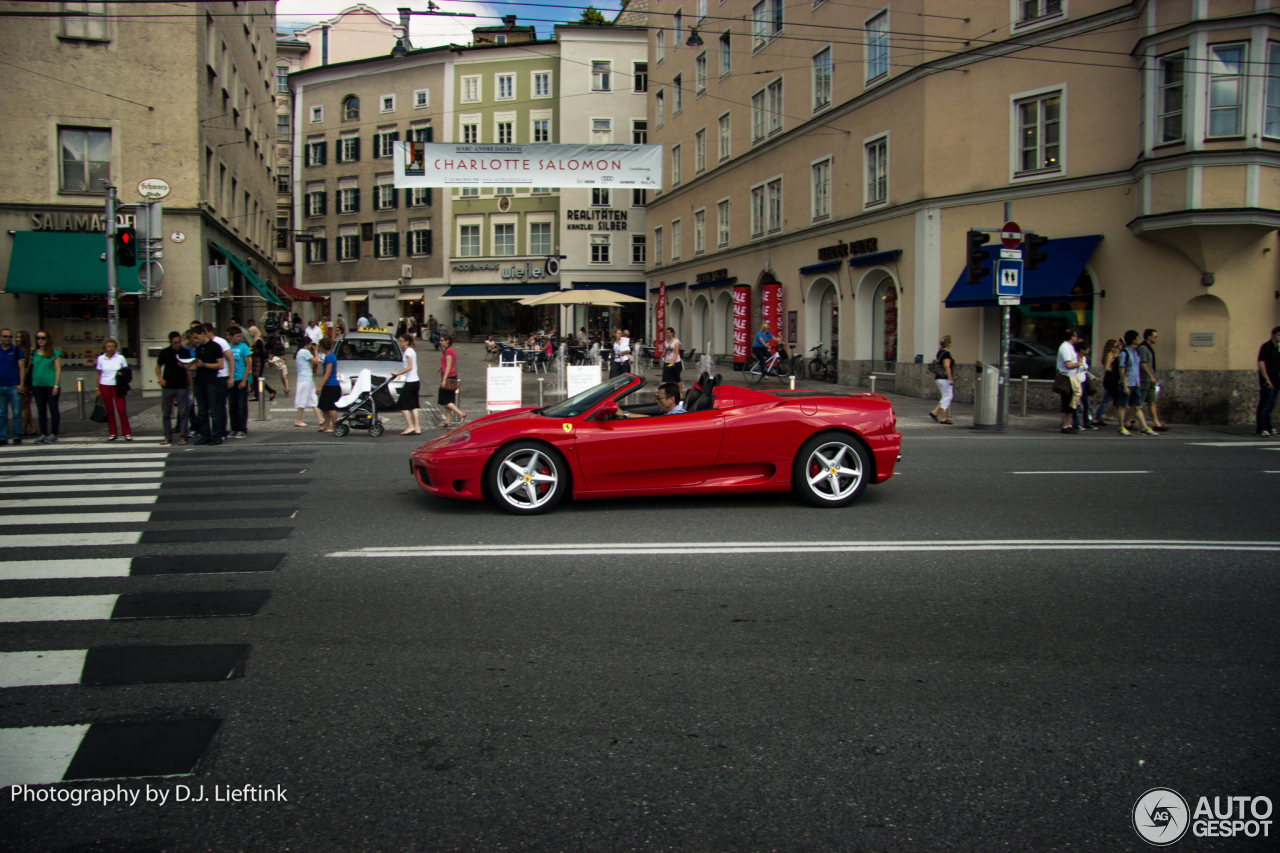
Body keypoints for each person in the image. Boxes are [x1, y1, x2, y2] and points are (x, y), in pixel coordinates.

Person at [1117, 329, 1158, 436]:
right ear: (1133, 339)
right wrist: (1125, 385)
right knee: (1122, 405)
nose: (1139, 339)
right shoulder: (1124, 353)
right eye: (1138, 337)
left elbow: (1137, 368)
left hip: (1135, 383)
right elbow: (1122, 370)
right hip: (1127, 383)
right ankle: (1121, 427)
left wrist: (1138, 382)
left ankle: (1144, 427)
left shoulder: (1135, 352)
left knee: (1137, 406)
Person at [189, 325, 225, 446]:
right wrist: (187, 366)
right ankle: (205, 435)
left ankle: (217, 436)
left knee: (214, 411)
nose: (195, 340)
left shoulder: (215, 346)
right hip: (199, 381)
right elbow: (196, 366)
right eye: (193, 338)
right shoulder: (198, 349)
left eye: (196, 337)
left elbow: (220, 365)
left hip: (211, 382)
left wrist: (204, 365)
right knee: (202, 411)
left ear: (202, 334)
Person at [155, 331, 190, 446]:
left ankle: (183, 436)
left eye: (179, 341)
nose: (178, 344)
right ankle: (167, 437)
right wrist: (160, 377)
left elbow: (189, 368)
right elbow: (158, 366)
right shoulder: (165, 352)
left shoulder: (184, 352)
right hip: (168, 386)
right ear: (170, 342)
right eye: (175, 342)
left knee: (183, 412)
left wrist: (191, 384)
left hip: (181, 385)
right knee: (166, 413)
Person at [96, 337, 132, 441]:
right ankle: (112, 432)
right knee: (109, 410)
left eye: (113, 346)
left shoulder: (120, 358)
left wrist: (121, 373)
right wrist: (97, 387)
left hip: (117, 385)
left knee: (121, 409)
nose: (111, 348)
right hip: (104, 384)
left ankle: (126, 432)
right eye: (108, 346)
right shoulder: (101, 358)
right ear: (105, 348)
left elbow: (127, 371)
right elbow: (99, 373)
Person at [29, 330, 61, 444]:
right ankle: (43, 433)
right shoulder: (33, 353)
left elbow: (58, 369)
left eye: (43, 338)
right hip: (37, 385)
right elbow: (29, 368)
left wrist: (56, 385)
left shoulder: (53, 352)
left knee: (53, 408)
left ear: (47, 339)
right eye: (38, 338)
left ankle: (54, 433)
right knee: (41, 409)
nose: (40, 340)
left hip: (50, 384)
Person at [1138, 328, 1168, 431]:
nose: (1157, 338)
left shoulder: (1149, 348)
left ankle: (1156, 423)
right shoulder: (1143, 348)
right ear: (1149, 337)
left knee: (1152, 401)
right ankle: (1127, 421)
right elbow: (1143, 363)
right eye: (1155, 336)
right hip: (1145, 378)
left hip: (1150, 379)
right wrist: (1150, 376)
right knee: (1139, 403)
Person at [391, 334, 421, 435]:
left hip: (410, 381)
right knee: (413, 405)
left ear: (406, 342)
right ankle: (417, 427)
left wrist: (397, 373)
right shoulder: (411, 351)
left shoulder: (408, 352)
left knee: (402, 404)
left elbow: (409, 367)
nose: (399, 343)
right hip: (415, 380)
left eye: (401, 341)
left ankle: (410, 426)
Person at [205, 323, 231, 440]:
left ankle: (222, 431)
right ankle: (214, 430)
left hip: (221, 376)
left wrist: (230, 377)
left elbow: (230, 359)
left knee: (220, 405)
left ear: (211, 331)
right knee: (212, 406)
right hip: (211, 377)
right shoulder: (204, 345)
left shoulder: (221, 342)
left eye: (205, 332)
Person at [0, 328, 25, 446]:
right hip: (1, 385)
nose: (8, 338)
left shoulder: (16, 350)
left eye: (10, 336)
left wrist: (21, 384)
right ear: (1, 337)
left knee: (16, 412)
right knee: (1, 413)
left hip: (14, 385)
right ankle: (2, 436)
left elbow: (21, 368)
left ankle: (16, 436)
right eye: (5, 336)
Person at [1055, 328, 1082, 434]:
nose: (1076, 337)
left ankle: (1069, 424)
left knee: (1071, 403)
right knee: (1066, 403)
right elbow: (1068, 364)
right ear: (1071, 337)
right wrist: (1078, 364)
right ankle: (1065, 425)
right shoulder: (1065, 347)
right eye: (1075, 336)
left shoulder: (1070, 347)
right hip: (1066, 378)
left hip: (1071, 377)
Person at [227, 326, 251, 439]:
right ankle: (234, 427)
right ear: (231, 337)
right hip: (230, 378)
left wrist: (245, 380)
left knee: (241, 405)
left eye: (240, 336)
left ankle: (242, 428)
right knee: (232, 405)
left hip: (240, 377)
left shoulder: (244, 347)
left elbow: (248, 364)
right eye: (236, 336)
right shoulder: (227, 347)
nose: (239, 338)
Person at [438, 332, 465, 428]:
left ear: (447, 341)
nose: (440, 342)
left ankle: (460, 413)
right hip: (450, 376)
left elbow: (448, 366)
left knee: (445, 399)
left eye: (441, 340)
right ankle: (447, 421)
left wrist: (444, 380)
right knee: (448, 400)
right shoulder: (448, 350)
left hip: (449, 377)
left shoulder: (449, 351)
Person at [1257, 325, 1280, 436]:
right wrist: (1267, 380)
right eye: (1279, 335)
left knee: (1270, 406)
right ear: (1273, 335)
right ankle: (1261, 429)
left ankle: (1268, 427)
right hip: (1268, 381)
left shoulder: (1277, 348)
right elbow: (1261, 363)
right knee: (1264, 406)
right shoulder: (1266, 347)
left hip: (1277, 380)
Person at [1093, 339, 1121, 427]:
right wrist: (1115, 370)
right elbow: (1107, 368)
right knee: (1107, 399)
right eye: (1115, 347)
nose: (1117, 348)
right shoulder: (1109, 355)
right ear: (1110, 347)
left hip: (1111, 379)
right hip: (1110, 379)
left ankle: (1125, 418)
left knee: (1114, 399)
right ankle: (1098, 417)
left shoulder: (1114, 355)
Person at [294, 340, 322, 428]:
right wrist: (316, 351)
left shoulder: (300, 352)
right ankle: (298, 420)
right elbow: (316, 361)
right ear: (307, 344)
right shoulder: (304, 351)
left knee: (313, 398)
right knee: (303, 399)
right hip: (305, 379)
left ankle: (320, 418)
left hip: (305, 379)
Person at [929, 335, 955, 425]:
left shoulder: (939, 353)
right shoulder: (946, 354)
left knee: (945, 396)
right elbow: (947, 367)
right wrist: (950, 379)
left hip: (939, 378)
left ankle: (935, 412)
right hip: (945, 378)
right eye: (950, 342)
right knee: (948, 396)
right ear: (948, 344)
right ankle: (943, 418)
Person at [620, 382, 687, 417]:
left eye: (659, 398)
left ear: (671, 400)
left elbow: (647, 419)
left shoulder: (677, 417)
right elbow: (648, 418)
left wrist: (623, 413)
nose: (656, 401)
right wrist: (624, 413)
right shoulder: (672, 414)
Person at [316, 338, 341, 433]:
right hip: (328, 384)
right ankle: (326, 425)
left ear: (322, 347)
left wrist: (319, 386)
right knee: (324, 406)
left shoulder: (330, 357)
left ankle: (334, 426)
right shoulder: (328, 356)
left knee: (331, 407)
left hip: (332, 385)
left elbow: (328, 373)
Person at [1071, 341, 1096, 431]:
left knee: (1086, 404)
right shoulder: (1074, 358)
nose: (1088, 350)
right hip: (1077, 382)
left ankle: (1087, 423)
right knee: (1076, 404)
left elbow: (1085, 370)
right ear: (1082, 350)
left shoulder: (1084, 358)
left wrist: (1093, 377)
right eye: (1086, 348)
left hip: (1084, 381)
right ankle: (1076, 423)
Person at [16, 331, 37, 438]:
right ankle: (33, 428)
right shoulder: (18, 350)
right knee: (26, 406)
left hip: (27, 381)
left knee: (25, 405)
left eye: (19, 337)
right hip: (22, 381)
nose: (17, 339)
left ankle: (23, 429)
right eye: (16, 337)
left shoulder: (30, 351)